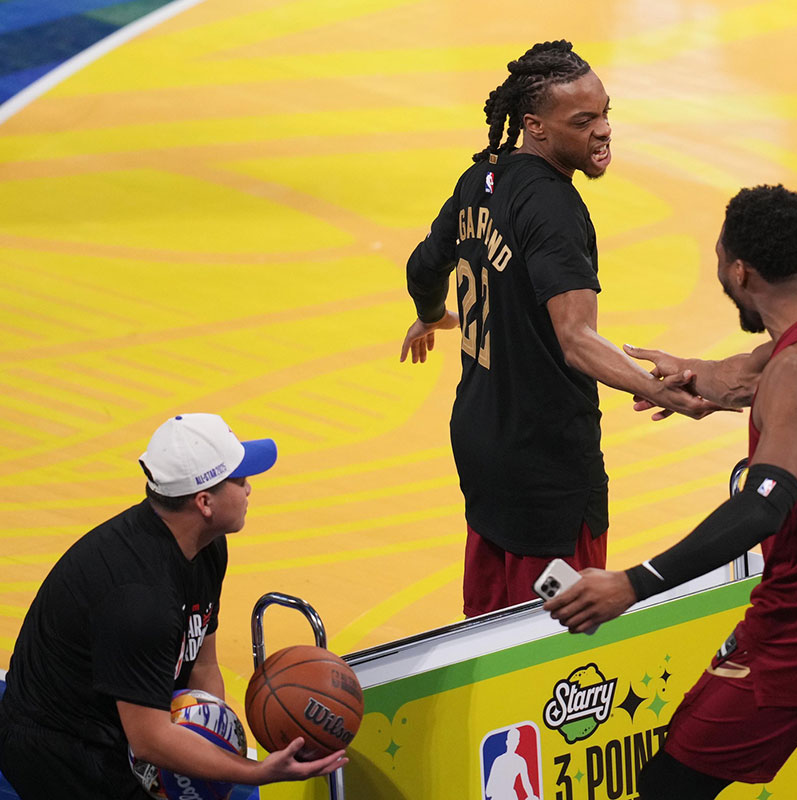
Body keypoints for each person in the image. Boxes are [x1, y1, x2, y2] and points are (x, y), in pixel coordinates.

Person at [545, 185, 797, 800]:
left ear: (739, 269)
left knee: (670, 786)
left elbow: (762, 505)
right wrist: (687, 373)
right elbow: (745, 375)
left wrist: (633, 583)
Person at [401, 40, 716, 617]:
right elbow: (576, 339)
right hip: (545, 465)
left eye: (605, 114)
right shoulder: (552, 206)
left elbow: (423, 266)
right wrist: (659, 389)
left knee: (486, 627)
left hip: (480, 443)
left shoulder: (481, 179)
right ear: (535, 127)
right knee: (556, 642)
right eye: (583, 120)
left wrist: (429, 314)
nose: (603, 131)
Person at [0, 414, 346, 799]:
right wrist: (256, 771)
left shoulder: (206, 546)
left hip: (124, 725)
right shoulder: (140, 601)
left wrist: (217, 738)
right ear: (204, 502)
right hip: (65, 752)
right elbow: (150, 740)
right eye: (239, 479)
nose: (249, 488)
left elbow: (203, 663)